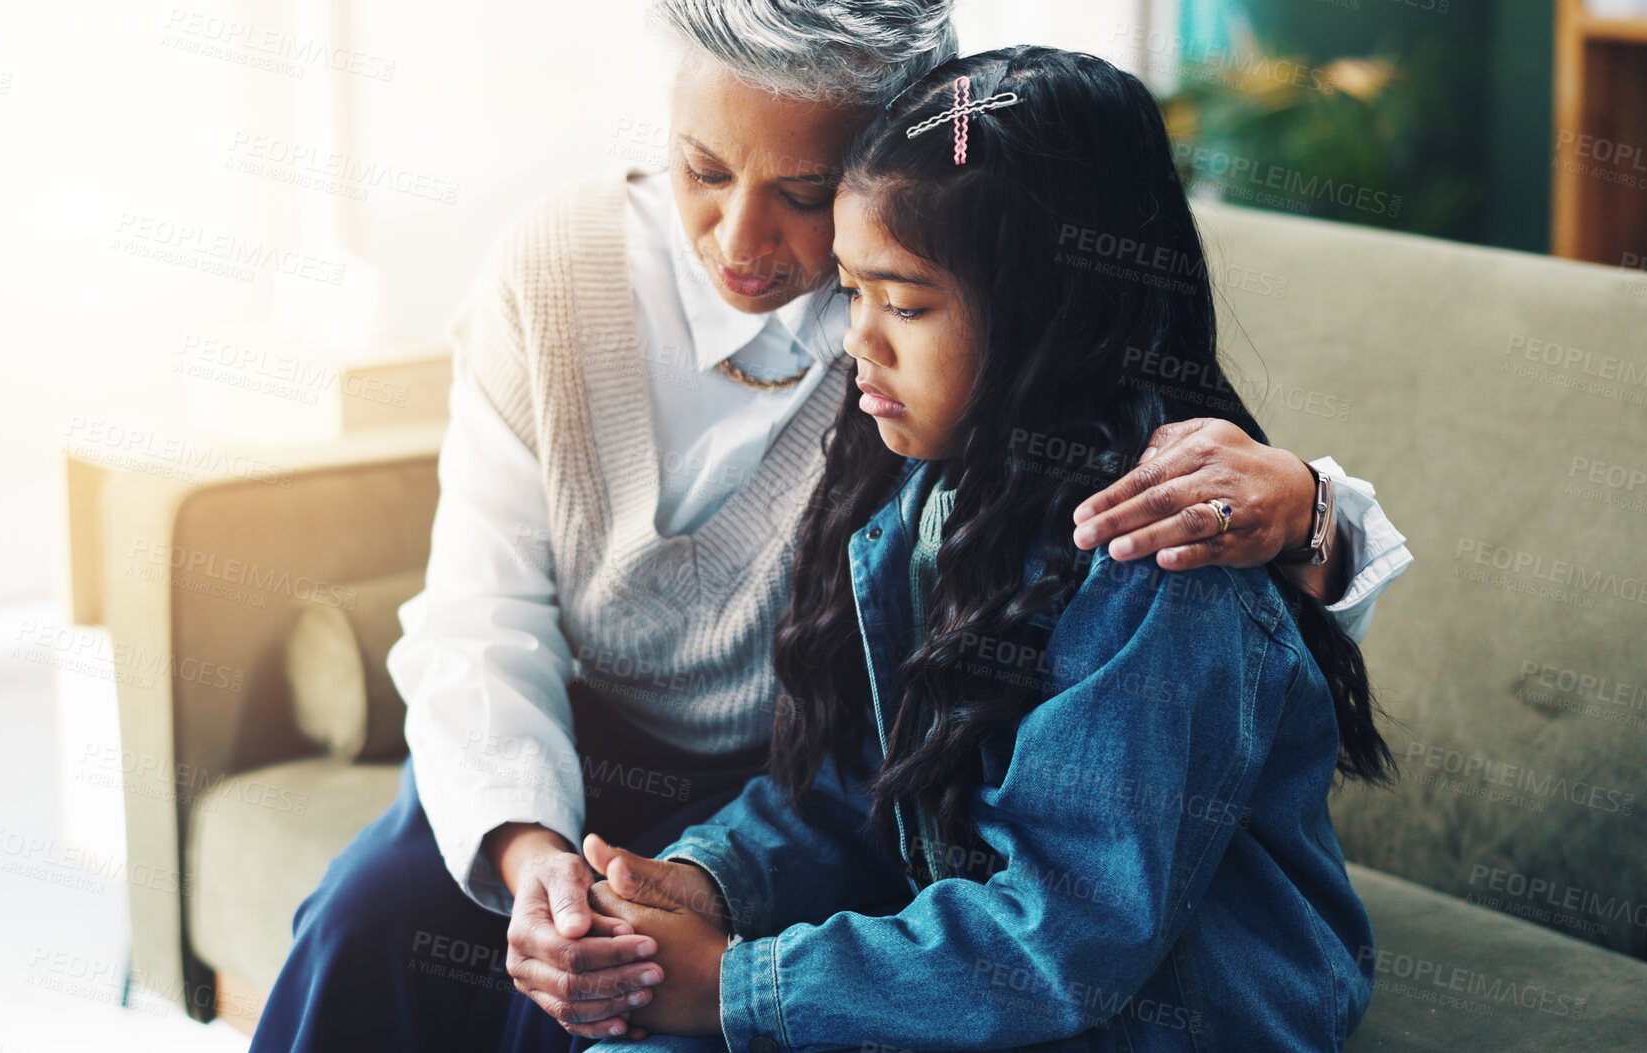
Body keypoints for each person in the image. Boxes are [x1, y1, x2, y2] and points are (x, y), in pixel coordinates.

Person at [247, 3, 1412, 1049]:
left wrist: (1311, 507)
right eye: (701, 169)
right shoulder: (885, 385)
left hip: (784, 766)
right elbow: (484, 615)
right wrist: (581, 861)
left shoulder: (968, 355)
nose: (741, 245)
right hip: (595, 738)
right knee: (367, 926)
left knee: (595, 1008)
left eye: (802, 195)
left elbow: (1073, 869)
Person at [576, 45, 1394, 1052]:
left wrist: (742, 987)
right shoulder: (914, 487)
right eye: (851, 293)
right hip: (995, 986)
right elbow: (851, 795)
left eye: (906, 305)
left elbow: (1070, 934)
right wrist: (709, 879)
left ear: (1052, 311)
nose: (856, 343)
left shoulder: (1154, 555)